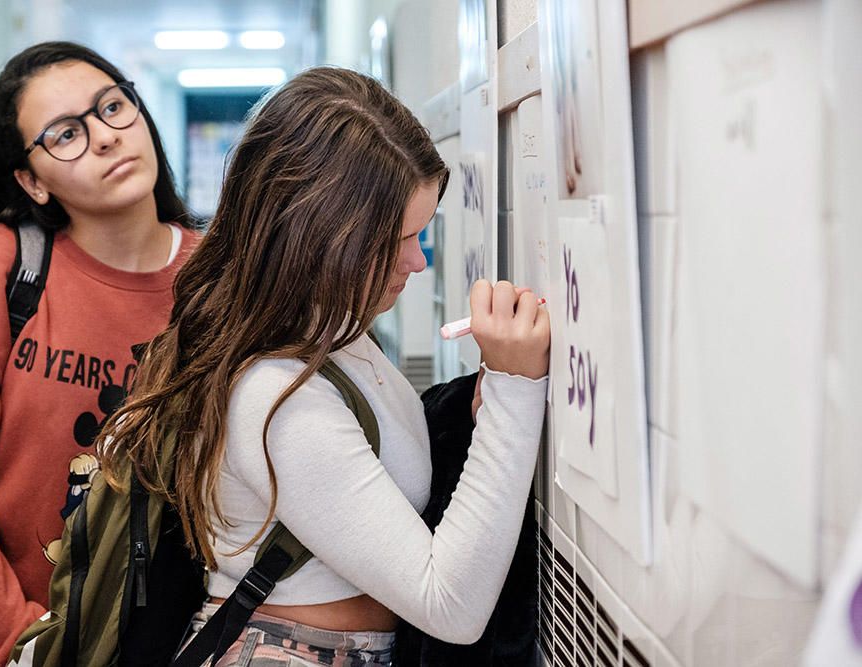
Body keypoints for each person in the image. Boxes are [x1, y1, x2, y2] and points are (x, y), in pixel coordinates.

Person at [100, 67, 551, 666]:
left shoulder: (327, 333)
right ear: (322, 236)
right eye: (397, 239)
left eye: (422, 234)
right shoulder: (275, 394)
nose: (417, 262)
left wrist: (478, 405)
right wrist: (516, 393)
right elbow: (451, 604)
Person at [0, 41, 200, 666]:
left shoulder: (220, 280)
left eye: (112, 107)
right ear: (31, 180)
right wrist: (25, 647)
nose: (106, 137)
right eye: (64, 135)